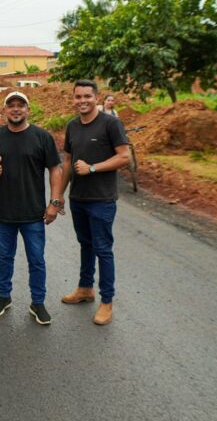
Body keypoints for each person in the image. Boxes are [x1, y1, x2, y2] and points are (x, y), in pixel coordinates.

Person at [0, 91, 64, 325]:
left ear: (28, 109)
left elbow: (55, 169)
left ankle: (38, 302)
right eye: (11, 105)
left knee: (36, 260)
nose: (16, 109)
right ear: (4, 110)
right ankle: (4, 297)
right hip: (2, 214)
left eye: (20, 105)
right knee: (5, 257)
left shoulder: (42, 137)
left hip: (33, 214)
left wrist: (54, 202)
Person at [61, 79, 130, 325]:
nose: (82, 101)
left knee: (103, 249)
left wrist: (92, 168)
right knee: (85, 245)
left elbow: (124, 157)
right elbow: (67, 162)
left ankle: (107, 302)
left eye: (87, 96)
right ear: (73, 99)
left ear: (96, 98)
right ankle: (85, 288)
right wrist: (58, 195)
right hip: (78, 198)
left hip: (102, 199)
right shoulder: (72, 126)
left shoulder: (111, 124)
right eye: (77, 97)